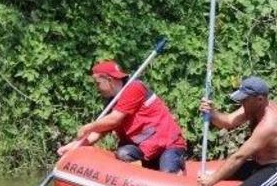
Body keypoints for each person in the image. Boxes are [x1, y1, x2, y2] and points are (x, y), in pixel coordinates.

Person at [57, 60, 187, 173]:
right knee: (123, 153)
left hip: (168, 145)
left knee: (168, 173)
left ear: (109, 80)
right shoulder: (111, 102)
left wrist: (88, 127)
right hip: (143, 149)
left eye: (97, 83)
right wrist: (74, 146)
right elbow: (98, 132)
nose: (97, 88)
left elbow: (115, 119)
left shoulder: (134, 88)